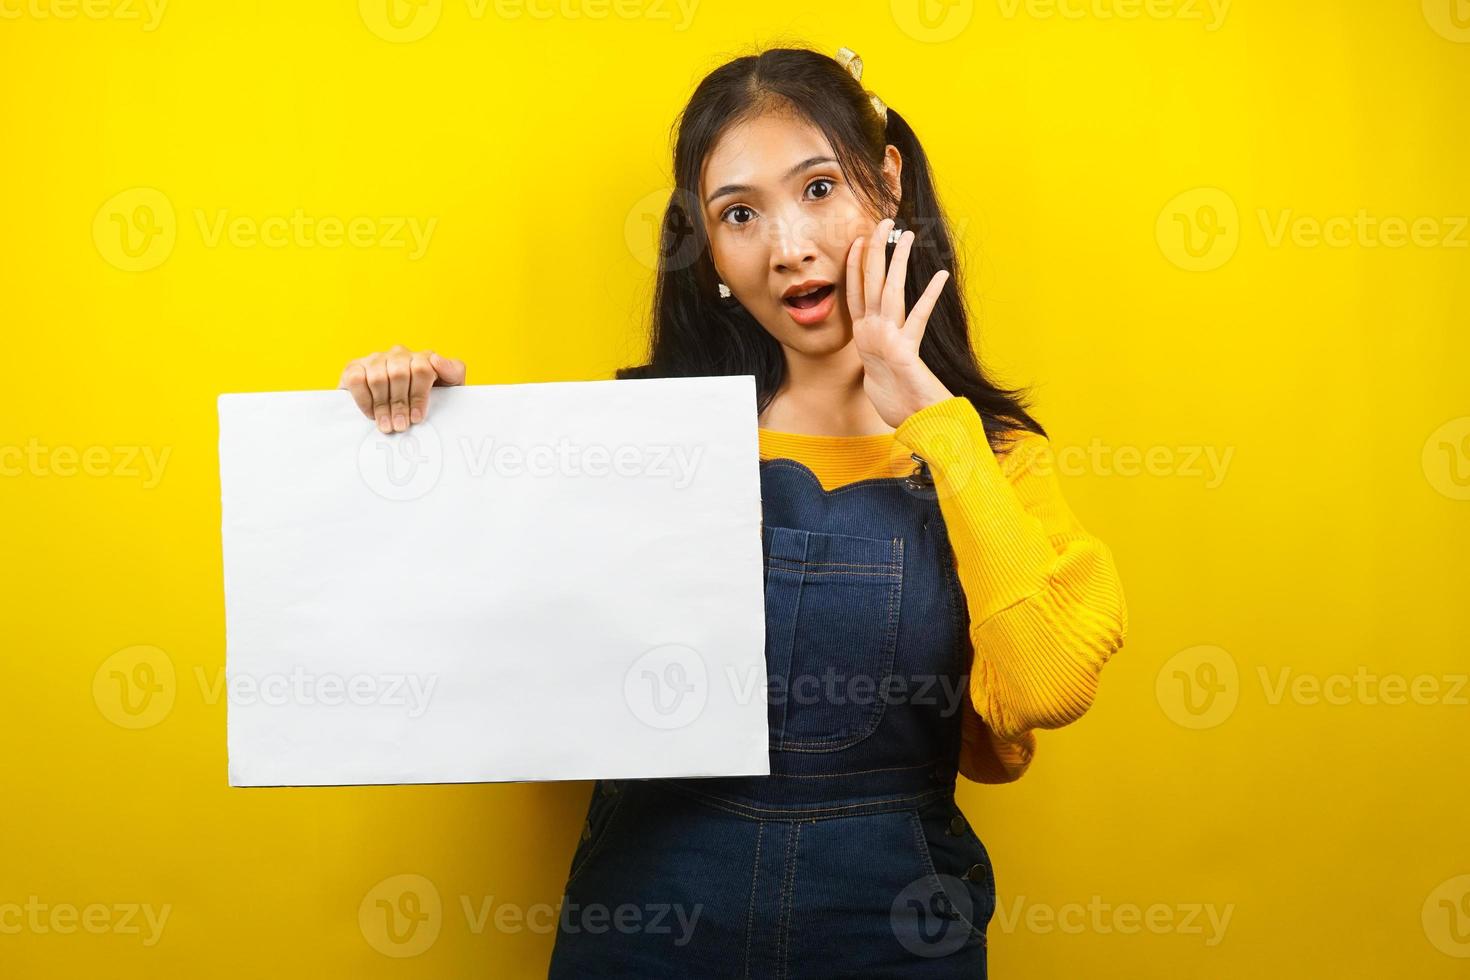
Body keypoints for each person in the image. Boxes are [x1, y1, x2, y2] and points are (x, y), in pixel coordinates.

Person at [337, 44, 1127, 979]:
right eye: (740, 215)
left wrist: (933, 419)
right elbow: (486, 640)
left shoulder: (989, 455)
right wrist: (435, 436)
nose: (787, 246)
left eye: (820, 189)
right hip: (650, 924)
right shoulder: (639, 443)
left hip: (895, 932)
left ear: (888, 181)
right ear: (707, 251)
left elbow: (1045, 683)